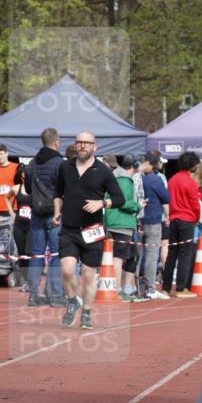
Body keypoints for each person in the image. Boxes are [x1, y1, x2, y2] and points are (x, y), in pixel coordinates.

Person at [53, 132, 124, 329]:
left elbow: (120, 199)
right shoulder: (65, 167)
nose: (83, 146)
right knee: (67, 270)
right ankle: (73, 300)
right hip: (69, 228)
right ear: (75, 146)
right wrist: (57, 212)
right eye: (79, 143)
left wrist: (102, 203)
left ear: (95, 146)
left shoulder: (103, 171)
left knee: (88, 274)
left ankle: (86, 312)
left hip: (92, 230)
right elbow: (58, 193)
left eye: (87, 143)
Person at [24, 128, 65, 307]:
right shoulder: (59, 163)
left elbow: (27, 188)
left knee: (37, 254)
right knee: (56, 254)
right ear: (56, 142)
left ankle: (33, 294)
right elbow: (64, 188)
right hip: (53, 213)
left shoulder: (32, 163)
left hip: (36, 213)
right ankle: (55, 294)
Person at [105, 155, 144, 302]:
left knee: (130, 255)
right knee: (119, 257)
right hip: (120, 223)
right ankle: (116, 289)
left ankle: (124, 288)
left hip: (118, 221)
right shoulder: (125, 180)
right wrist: (138, 206)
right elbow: (122, 201)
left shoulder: (116, 177)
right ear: (134, 167)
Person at [162, 151, 201, 298]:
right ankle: (181, 287)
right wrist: (196, 218)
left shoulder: (171, 180)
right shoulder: (190, 182)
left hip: (173, 219)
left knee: (172, 253)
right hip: (187, 220)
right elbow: (195, 205)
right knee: (185, 254)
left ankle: (166, 286)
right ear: (192, 165)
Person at [139, 152, 170, 299]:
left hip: (138, 219)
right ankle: (150, 287)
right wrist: (168, 216)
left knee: (139, 254)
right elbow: (165, 198)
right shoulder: (155, 179)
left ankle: (134, 286)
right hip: (153, 219)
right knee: (152, 254)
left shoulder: (138, 178)